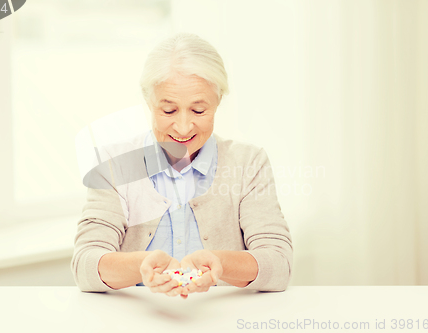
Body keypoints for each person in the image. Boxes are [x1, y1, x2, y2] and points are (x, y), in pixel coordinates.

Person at [71, 32, 293, 298]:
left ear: (218, 101)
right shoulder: (113, 165)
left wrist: (221, 263)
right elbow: (85, 266)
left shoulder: (248, 163)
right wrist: (139, 267)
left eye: (199, 111)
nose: (184, 126)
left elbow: (279, 265)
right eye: (169, 111)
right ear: (149, 103)